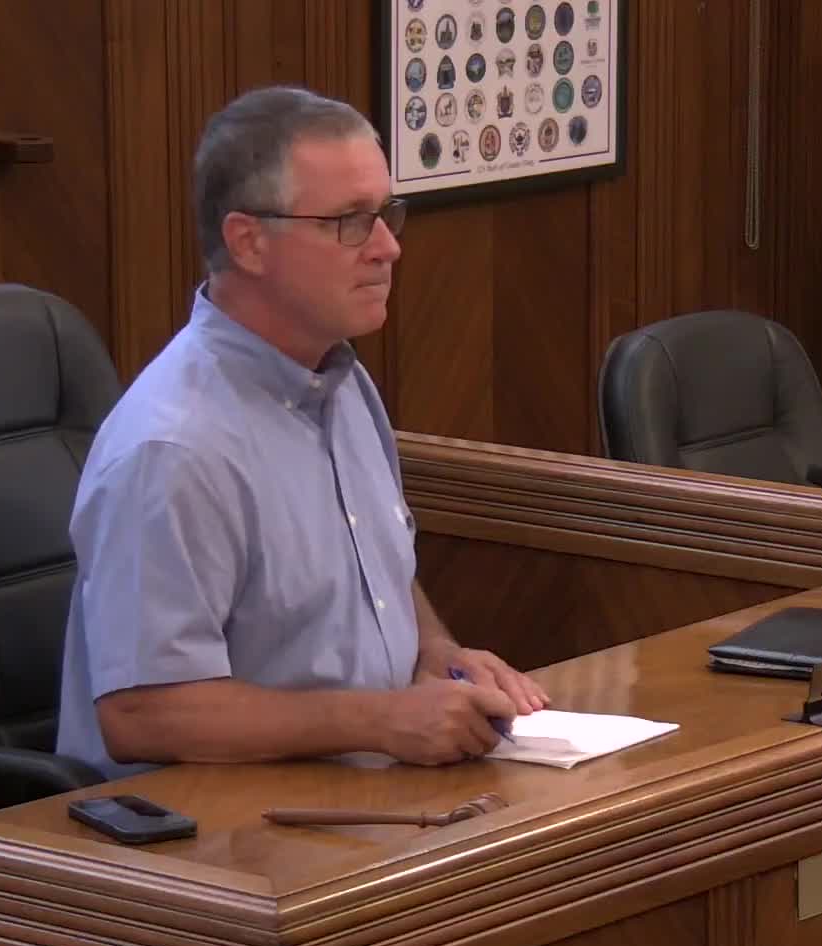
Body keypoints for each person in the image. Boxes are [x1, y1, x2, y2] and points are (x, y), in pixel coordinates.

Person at [56, 86, 548, 778]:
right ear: (248, 242)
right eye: (350, 222)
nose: (387, 248)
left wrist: (433, 654)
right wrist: (378, 720)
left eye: (387, 215)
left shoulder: (341, 382)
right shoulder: (172, 448)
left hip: (367, 796)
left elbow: (380, 578)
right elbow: (142, 714)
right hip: (214, 822)